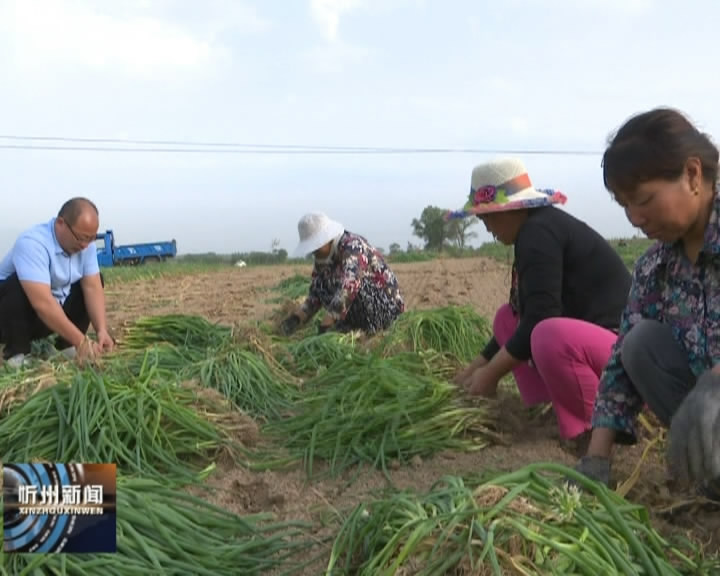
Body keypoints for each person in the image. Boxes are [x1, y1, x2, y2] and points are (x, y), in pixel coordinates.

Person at [575, 107, 720, 494]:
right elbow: (620, 366)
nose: (634, 218)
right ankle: (710, 473)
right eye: (624, 205)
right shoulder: (655, 268)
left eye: (643, 199)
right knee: (639, 344)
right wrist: (597, 459)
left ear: (692, 174)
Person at [451, 158, 632, 449]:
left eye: (488, 218)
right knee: (506, 320)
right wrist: (472, 371)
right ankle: (545, 408)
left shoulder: (538, 234)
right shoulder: (536, 228)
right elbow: (522, 320)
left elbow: (539, 319)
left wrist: (490, 375)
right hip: (600, 347)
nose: (487, 229)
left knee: (548, 335)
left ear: (510, 209)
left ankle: (590, 427)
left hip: (623, 358)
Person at [0, 197, 115, 368]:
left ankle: (65, 346)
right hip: (9, 318)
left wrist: (101, 329)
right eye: (80, 238)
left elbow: (92, 287)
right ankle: (17, 353)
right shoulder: (33, 243)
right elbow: (42, 303)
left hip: (46, 318)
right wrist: (81, 341)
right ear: (61, 223)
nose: (85, 246)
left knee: (93, 281)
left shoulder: (86, 246)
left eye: (90, 239)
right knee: (19, 284)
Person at [280, 212, 405, 336]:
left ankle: (373, 329)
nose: (314, 252)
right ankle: (351, 328)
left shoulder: (353, 246)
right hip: (359, 311)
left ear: (326, 239)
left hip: (385, 306)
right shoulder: (323, 260)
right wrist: (295, 320)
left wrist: (327, 324)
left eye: (316, 247)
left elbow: (350, 285)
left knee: (353, 286)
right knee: (323, 285)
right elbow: (315, 295)